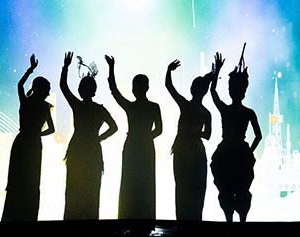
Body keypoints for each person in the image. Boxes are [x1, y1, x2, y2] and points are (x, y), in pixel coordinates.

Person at [61, 51, 118, 219]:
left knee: (73, 189)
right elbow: (114, 127)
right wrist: (98, 138)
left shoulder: (78, 106)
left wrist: (65, 67)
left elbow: (63, 87)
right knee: (92, 190)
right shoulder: (99, 109)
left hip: (77, 148)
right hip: (93, 150)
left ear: (81, 90)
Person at [104, 55, 163, 219]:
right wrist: (146, 137)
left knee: (130, 181)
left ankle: (128, 215)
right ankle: (144, 215)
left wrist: (111, 68)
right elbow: (159, 130)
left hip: (133, 145)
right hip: (144, 146)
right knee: (145, 182)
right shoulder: (153, 107)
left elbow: (114, 91)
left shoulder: (131, 107)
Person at [209, 48, 262, 222]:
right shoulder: (248, 112)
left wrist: (216, 72)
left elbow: (213, 92)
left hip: (226, 152)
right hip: (240, 152)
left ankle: (231, 222)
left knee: (227, 190)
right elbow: (258, 136)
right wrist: (248, 152)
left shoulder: (227, 110)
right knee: (241, 190)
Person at [2, 54, 55, 221]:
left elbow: (19, 85)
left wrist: (30, 69)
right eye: (47, 89)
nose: (48, 93)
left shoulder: (26, 101)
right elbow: (52, 129)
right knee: (31, 180)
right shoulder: (44, 107)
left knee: (18, 179)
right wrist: (38, 134)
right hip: (33, 144)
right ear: (41, 89)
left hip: (22, 141)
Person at [165, 59, 213, 220]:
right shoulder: (205, 113)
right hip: (195, 151)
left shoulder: (186, 105)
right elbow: (207, 135)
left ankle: (183, 221)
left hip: (184, 150)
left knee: (182, 189)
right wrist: (196, 133)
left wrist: (169, 71)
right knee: (196, 189)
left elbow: (169, 87)